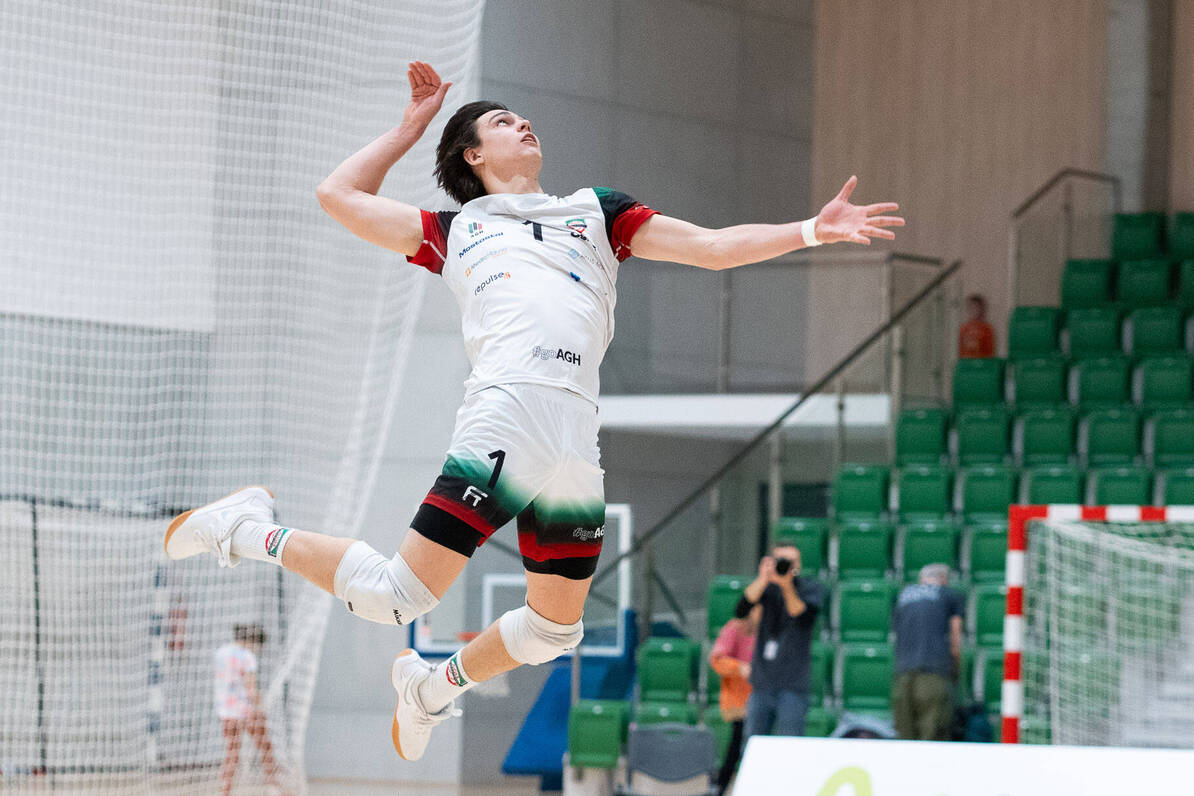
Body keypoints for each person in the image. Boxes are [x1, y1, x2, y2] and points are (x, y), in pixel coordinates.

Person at [163, 61, 904, 762]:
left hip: (576, 431)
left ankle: (430, 687)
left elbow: (712, 247)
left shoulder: (599, 212)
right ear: (473, 155)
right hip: (508, 412)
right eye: (502, 122)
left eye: (522, 118)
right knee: (397, 597)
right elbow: (338, 194)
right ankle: (246, 529)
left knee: (554, 629)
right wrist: (411, 127)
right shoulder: (452, 231)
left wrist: (813, 229)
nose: (523, 124)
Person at [734, 545, 828, 739]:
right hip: (762, 682)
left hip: (793, 685)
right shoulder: (767, 588)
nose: (785, 566)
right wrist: (763, 578)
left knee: (789, 742)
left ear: (798, 564)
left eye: (790, 562)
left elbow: (802, 616)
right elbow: (741, 610)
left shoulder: (810, 588)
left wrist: (786, 586)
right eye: (781, 561)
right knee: (754, 742)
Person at [891, 563, 964, 741]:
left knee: (905, 734)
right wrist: (956, 663)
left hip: (903, 671)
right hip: (934, 671)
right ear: (944, 579)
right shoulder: (949, 594)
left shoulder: (904, 595)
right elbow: (955, 632)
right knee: (932, 734)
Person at [214, 624, 286, 796]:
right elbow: (250, 689)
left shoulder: (221, 652)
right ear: (253, 641)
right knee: (266, 747)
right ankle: (275, 787)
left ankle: (225, 791)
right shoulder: (247, 656)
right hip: (246, 710)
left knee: (232, 753)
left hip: (226, 710)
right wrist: (260, 706)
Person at [709, 604, 759, 795]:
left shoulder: (771, 629)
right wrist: (739, 667)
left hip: (763, 700)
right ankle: (721, 787)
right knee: (737, 746)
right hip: (740, 701)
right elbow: (717, 660)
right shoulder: (735, 628)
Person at [958, 293, 995, 358]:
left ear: (982, 309)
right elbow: (961, 350)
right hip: (967, 361)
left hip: (982, 362)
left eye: (976, 308)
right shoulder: (964, 328)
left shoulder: (987, 328)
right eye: (971, 308)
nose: (973, 310)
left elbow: (990, 351)